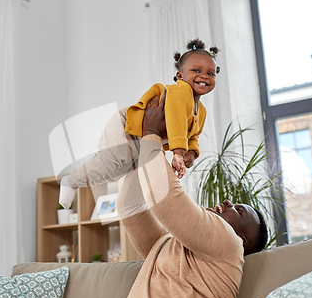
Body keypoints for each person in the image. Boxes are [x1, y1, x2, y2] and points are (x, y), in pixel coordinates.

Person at [113, 90, 269, 298]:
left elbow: (165, 199)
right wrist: (140, 150)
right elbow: (130, 207)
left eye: (238, 211)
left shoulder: (229, 244)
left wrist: (152, 134)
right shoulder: (169, 243)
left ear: (243, 239)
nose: (228, 203)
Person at [59, 39, 219, 209]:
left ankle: (77, 182)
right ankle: (70, 181)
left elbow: (193, 136)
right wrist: (178, 153)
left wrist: (192, 153)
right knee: (109, 163)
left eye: (211, 74)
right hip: (126, 126)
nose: (204, 76)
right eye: (196, 70)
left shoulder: (201, 111)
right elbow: (176, 118)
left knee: (116, 174)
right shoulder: (180, 91)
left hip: (143, 140)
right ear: (180, 76)